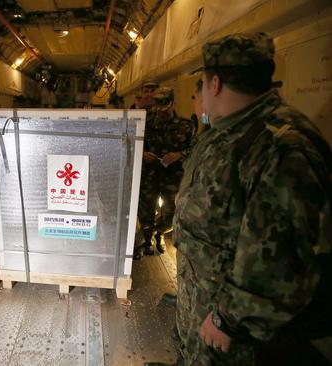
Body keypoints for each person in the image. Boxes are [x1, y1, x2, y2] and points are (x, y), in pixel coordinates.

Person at [147, 33, 332, 366]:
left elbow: (280, 256)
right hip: (203, 298)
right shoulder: (229, 132)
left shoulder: (282, 145)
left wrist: (227, 318)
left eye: (202, 83)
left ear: (214, 83)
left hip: (233, 325)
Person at [136, 87, 195, 258]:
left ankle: (160, 232)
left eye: (164, 105)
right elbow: (132, 144)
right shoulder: (145, 124)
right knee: (145, 211)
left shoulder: (186, 125)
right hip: (150, 175)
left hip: (173, 177)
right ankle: (148, 240)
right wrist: (142, 153)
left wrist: (179, 155)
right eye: (157, 105)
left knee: (171, 213)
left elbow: (194, 149)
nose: (160, 110)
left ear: (172, 104)